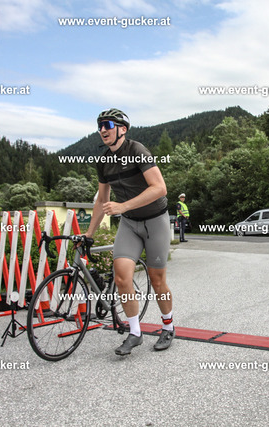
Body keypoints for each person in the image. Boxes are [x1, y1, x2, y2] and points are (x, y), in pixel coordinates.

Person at [85, 108, 175, 355]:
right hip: (129, 224)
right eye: (100, 125)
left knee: (157, 280)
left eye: (107, 125)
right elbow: (101, 200)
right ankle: (135, 332)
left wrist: (123, 206)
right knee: (122, 277)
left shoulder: (137, 150)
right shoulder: (103, 161)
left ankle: (168, 326)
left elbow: (160, 188)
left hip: (155, 221)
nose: (102, 130)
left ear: (122, 129)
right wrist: (89, 234)